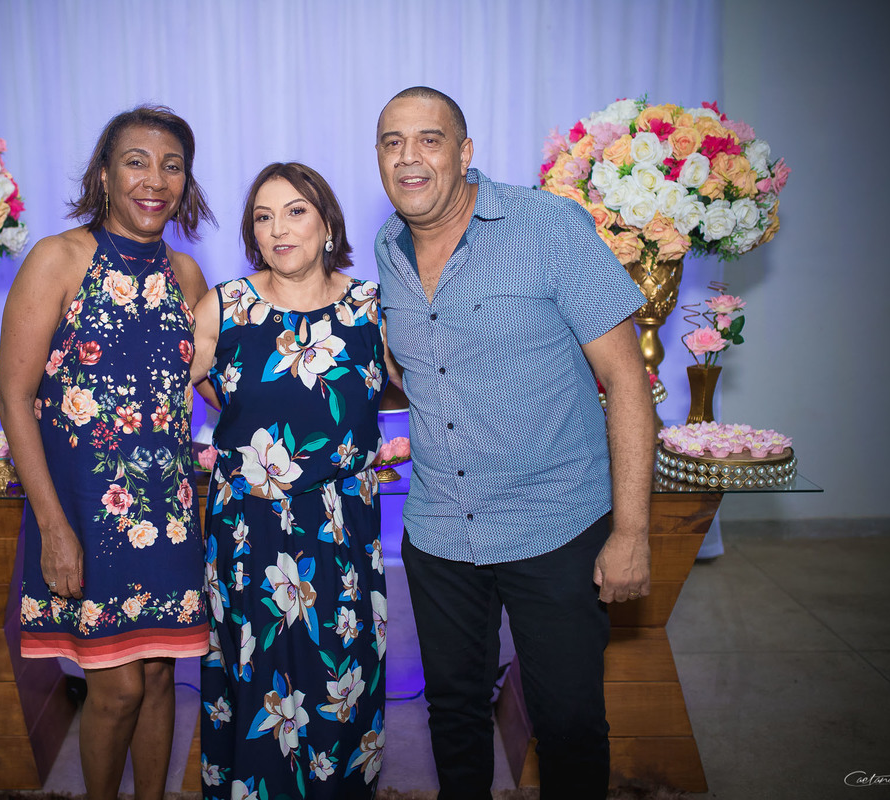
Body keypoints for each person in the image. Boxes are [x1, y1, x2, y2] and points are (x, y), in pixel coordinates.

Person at [373, 87, 655, 800]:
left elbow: (626, 380)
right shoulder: (387, 248)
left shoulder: (548, 225)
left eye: (429, 139)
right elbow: (416, 368)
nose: (409, 157)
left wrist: (631, 532)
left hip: (554, 524)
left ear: (465, 152)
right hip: (440, 529)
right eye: (392, 142)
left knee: (568, 725)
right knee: (453, 714)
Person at [0, 105, 215, 800]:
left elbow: (219, 387)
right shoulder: (58, 259)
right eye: (136, 162)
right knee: (117, 689)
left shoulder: (186, 274)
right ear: (104, 174)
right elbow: (15, 397)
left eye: (172, 166)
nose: (156, 180)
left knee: (158, 679)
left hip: (168, 516)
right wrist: (53, 527)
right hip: (86, 514)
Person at [192, 162, 395, 799]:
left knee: (340, 683)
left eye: (295, 211)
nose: (279, 229)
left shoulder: (373, 308)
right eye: (264, 216)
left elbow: (434, 386)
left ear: (328, 224)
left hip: (341, 530)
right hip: (247, 532)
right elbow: (169, 391)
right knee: (257, 687)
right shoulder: (225, 306)